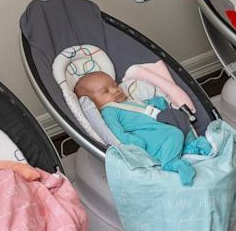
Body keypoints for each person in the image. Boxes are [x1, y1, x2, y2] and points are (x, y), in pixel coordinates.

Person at [73, 71, 211, 185]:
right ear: (93, 102)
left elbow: (141, 108)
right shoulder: (108, 111)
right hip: (148, 139)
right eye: (106, 91)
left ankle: (191, 147)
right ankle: (171, 163)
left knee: (181, 122)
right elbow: (115, 132)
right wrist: (132, 143)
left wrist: (155, 103)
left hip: (158, 128)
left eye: (114, 85)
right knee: (173, 134)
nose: (115, 90)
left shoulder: (128, 102)